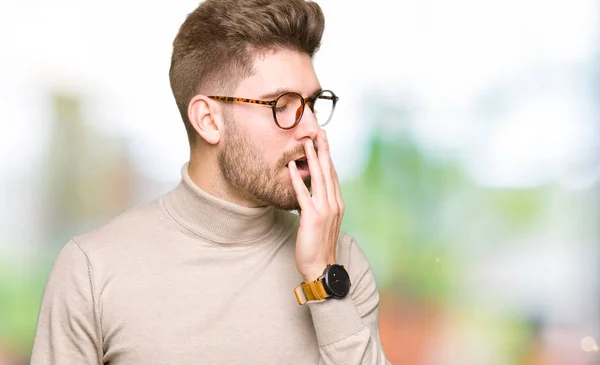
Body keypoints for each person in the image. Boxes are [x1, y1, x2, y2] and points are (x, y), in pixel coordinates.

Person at [30, 0, 390, 364]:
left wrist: (323, 280)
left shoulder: (340, 261)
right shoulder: (91, 270)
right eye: (282, 105)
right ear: (208, 120)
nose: (312, 128)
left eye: (312, 104)